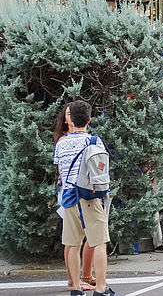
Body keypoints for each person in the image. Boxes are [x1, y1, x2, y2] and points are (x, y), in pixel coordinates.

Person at [53, 100, 120, 296]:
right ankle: (100, 288)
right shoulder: (94, 141)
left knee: (72, 244)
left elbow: (61, 173)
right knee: (99, 242)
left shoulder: (60, 144)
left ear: (70, 120)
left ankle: (75, 288)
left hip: (68, 197)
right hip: (89, 197)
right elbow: (101, 169)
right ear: (89, 120)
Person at [54, 104, 96, 293]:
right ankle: (73, 280)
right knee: (72, 239)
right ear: (65, 118)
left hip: (75, 191)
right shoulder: (64, 140)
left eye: (72, 114)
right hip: (72, 192)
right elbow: (62, 173)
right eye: (68, 114)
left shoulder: (76, 140)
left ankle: (85, 275)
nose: (70, 117)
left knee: (86, 237)